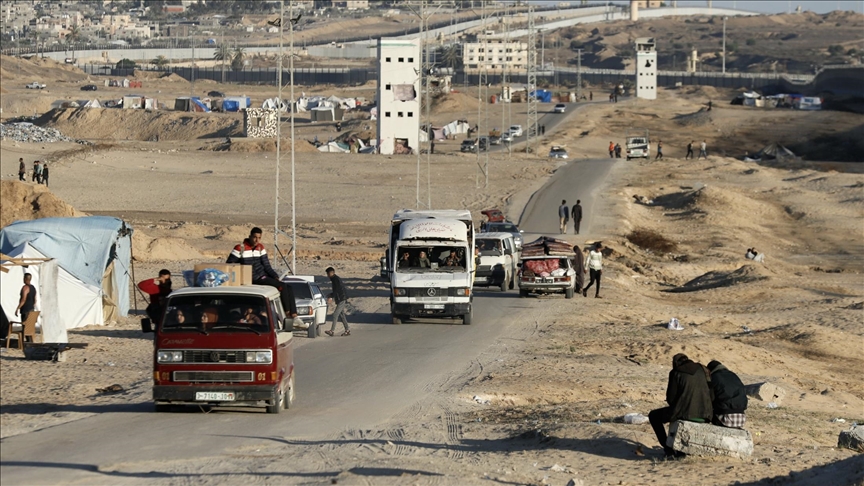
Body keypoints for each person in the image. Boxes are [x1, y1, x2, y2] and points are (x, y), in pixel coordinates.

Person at [649, 354, 713, 459]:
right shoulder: (704, 370)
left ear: (675, 363)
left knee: (654, 416)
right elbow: (711, 394)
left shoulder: (676, 372)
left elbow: (671, 398)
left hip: (684, 413)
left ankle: (668, 449)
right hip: (707, 414)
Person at [226, 227, 298, 319]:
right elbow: (230, 264)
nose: (257, 240)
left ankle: (294, 314)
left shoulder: (260, 248)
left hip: (263, 276)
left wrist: (275, 276)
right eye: (255, 237)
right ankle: (287, 314)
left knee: (288, 287)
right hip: (253, 278)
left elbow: (267, 266)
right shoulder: (240, 248)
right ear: (250, 236)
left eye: (259, 238)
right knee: (282, 287)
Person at [706, 360, 748, 429]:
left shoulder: (714, 377)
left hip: (725, 418)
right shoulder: (733, 375)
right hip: (741, 418)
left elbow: (709, 398)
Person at [324, 267, 351, 337]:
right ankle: (347, 330)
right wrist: (331, 294)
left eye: (328, 274)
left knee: (335, 314)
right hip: (340, 299)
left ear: (331, 273)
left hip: (341, 299)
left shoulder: (335, 279)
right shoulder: (334, 279)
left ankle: (332, 331)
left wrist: (331, 297)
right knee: (342, 315)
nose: (327, 275)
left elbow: (337, 290)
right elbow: (336, 290)